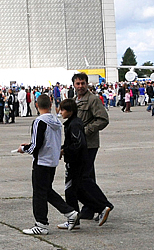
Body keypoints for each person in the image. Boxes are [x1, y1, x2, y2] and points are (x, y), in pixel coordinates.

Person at [17, 94, 78, 235]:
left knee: (39, 193)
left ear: (36, 105)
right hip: (52, 161)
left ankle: (41, 224)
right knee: (46, 190)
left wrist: (24, 149)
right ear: (51, 105)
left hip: (41, 161)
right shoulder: (55, 121)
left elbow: (37, 145)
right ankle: (69, 212)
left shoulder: (39, 121)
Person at [58, 98, 113, 230]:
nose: (60, 112)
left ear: (70, 111)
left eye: (63, 110)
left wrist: (66, 151)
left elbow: (78, 144)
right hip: (76, 161)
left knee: (70, 190)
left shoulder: (75, 124)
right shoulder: (73, 123)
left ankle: (95, 209)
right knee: (77, 190)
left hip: (75, 162)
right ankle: (87, 213)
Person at [72, 73, 112, 221]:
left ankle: (104, 205)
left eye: (83, 83)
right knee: (88, 177)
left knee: (82, 178)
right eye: (78, 83)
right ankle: (89, 209)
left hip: (89, 144)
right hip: (78, 145)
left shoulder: (93, 100)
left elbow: (103, 119)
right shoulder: (75, 101)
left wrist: (86, 131)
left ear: (87, 84)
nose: (81, 86)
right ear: (74, 85)